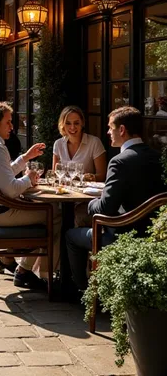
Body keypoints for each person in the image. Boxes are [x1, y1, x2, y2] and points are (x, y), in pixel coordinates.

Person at [66, 106, 164, 291]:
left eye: (111, 127)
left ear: (122, 130)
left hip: (124, 234)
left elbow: (105, 209)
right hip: (154, 234)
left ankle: (80, 291)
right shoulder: (157, 156)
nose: (108, 132)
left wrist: (90, 202)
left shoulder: (120, 161)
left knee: (71, 235)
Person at [0, 101, 61, 289]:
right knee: (57, 214)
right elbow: (10, 189)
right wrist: (29, 178)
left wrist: (25, 158)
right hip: (0, 214)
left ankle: (9, 258)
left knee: (49, 211)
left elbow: (2, 174)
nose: (12, 126)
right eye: (8, 122)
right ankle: (27, 272)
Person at [53, 106, 107, 181]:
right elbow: (55, 175)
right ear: (63, 125)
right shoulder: (58, 144)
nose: (72, 127)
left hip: (86, 190)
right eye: (68, 123)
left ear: (82, 124)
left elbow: (102, 176)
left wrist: (87, 178)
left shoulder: (94, 142)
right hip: (64, 189)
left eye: (76, 123)